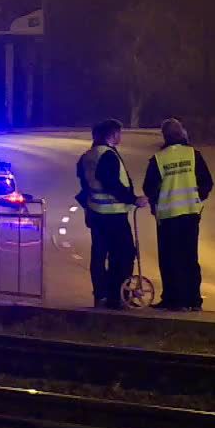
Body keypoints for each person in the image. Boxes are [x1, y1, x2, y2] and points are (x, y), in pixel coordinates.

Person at [76, 119, 148, 309]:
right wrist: (133, 199)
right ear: (112, 135)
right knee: (123, 255)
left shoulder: (87, 156)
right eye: (119, 133)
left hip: (95, 213)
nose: (120, 136)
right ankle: (118, 296)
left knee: (99, 256)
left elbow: (85, 184)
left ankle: (101, 295)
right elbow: (112, 184)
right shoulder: (107, 155)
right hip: (113, 215)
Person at [143, 118, 214, 311]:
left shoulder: (159, 159)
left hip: (167, 217)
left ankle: (172, 300)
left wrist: (155, 202)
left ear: (164, 136)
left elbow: (149, 187)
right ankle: (193, 300)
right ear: (182, 133)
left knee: (169, 259)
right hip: (190, 215)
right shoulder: (194, 155)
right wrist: (198, 196)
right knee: (190, 258)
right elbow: (207, 182)